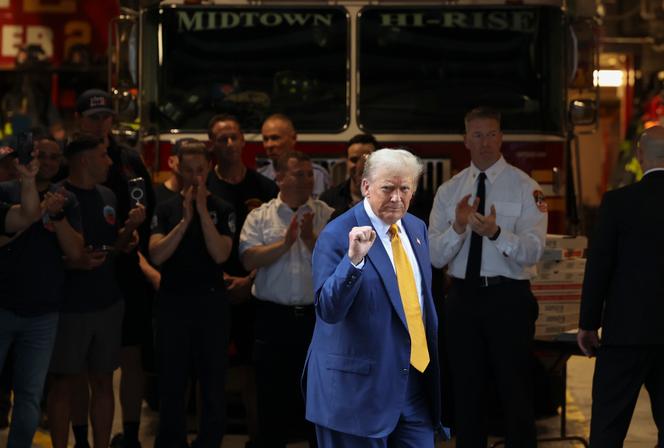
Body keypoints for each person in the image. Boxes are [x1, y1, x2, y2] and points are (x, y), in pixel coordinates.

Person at [304, 148, 442, 447]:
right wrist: (353, 261)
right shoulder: (337, 233)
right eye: (387, 188)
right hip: (356, 394)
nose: (396, 197)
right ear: (366, 187)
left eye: (404, 188)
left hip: (412, 383)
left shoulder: (416, 228)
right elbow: (328, 310)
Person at [428, 107, 547, 447]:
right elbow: (436, 256)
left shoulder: (526, 188)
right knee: (466, 392)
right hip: (463, 299)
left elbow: (534, 250)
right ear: (465, 140)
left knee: (515, 391)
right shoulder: (449, 192)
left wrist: (497, 233)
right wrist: (459, 227)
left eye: (492, 133)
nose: (485, 142)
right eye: (477, 135)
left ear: (502, 137)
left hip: (508, 298)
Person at [47, 134, 146, 448]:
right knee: (64, 384)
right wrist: (70, 263)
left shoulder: (107, 196)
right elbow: (42, 255)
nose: (110, 162)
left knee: (103, 381)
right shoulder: (56, 198)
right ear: (85, 160)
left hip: (107, 302)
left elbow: (111, 249)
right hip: (70, 306)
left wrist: (129, 230)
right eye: (104, 155)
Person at [75, 89, 157, 448]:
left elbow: (148, 205)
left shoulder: (128, 159)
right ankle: (83, 439)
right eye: (93, 117)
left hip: (125, 268)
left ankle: (132, 434)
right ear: (79, 119)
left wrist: (137, 234)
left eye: (105, 116)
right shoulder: (68, 160)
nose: (100, 123)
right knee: (82, 364)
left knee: (131, 353)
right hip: (79, 271)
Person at [577, 125, 664, 447]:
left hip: (625, 334)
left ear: (640, 157)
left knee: (608, 428)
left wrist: (588, 324)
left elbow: (599, 267)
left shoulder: (618, 203)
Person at [240, 151, 333, 448]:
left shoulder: (326, 214)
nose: (307, 180)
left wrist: (309, 239)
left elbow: (341, 263)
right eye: (299, 174)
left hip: (314, 320)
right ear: (279, 178)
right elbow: (248, 258)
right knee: (271, 400)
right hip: (273, 320)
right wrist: (286, 243)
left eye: (309, 174)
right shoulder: (260, 216)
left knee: (317, 401)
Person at [0, 133, 84, 447]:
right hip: (3, 304)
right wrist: (35, 206)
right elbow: (20, 219)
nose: (46, 163)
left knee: (30, 396)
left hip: (43, 314)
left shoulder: (67, 198)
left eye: (53, 157)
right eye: (40, 157)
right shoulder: (5, 191)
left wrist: (58, 215)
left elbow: (76, 253)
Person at [150, 143, 234, 448]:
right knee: (172, 381)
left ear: (208, 169)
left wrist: (201, 211)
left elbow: (220, 253)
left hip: (210, 303)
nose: (196, 177)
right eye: (189, 170)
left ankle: (209, 441)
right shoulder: (166, 208)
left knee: (212, 380)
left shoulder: (223, 208)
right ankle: (171, 441)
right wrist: (185, 219)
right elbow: (157, 254)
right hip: (173, 302)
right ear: (178, 169)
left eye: (201, 170)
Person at [206, 114, 278, 444]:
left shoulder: (265, 188)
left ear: (244, 142)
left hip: (255, 288)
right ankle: (211, 437)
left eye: (234, 137)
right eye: (222, 139)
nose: (230, 144)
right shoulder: (203, 188)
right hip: (213, 290)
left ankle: (257, 438)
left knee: (254, 372)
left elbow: (275, 242)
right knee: (211, 371)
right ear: (212, 145)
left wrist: (250, 280)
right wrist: (220, 279)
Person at [258, 114, 331, 198]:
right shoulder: (260, 177)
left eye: (275, 138)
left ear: (293, 138)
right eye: (265, 139)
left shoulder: (317, 175)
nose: (269, 145)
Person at [319, 133, 377, 219]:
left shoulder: (391, 198)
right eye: (354, 160)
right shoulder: (328, 199)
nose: (360, 166)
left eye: (367, 160)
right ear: (346, 162)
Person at [155, 138, 196, 205]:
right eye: (183, 156)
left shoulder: (203, 195)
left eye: (194, 158)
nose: (189, 162)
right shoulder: (155, 196)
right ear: (171, 162)